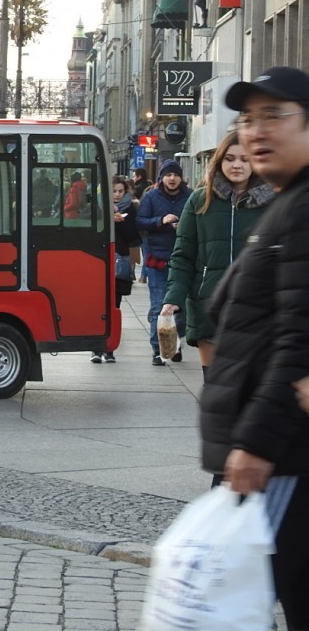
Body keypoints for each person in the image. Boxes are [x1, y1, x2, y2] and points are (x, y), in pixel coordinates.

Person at [199, 66, 309, 628]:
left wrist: (256, 445)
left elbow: (298, 341)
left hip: (285, 461)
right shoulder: (286, 206)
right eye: (247, 119)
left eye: (274, 116)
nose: (255, 131)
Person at [159, 131, 274, 376]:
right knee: (214, 386)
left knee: (250, 389)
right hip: (208, 305)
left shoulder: (273, 203)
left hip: (258, 310)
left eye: (245, 159)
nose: (237, 165)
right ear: (220, 161)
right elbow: (183, 254)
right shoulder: (200, 200)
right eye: (230, 158)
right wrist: (173, 297)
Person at [137, 158, 191, 366]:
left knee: (182, 310)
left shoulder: (190, 197)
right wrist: (161, 221)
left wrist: (184, 226)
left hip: (184, 261)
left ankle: (174, 344)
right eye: (168, 175)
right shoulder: (151, 197)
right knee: (159, 306)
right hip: (158, 261)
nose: (172, 178)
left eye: (175, 175)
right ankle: (158, 349)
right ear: (162, 178)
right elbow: (140, 222)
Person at [92, 176, 139, 363]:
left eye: (121, 191)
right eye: (114, 191)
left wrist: (122, 221)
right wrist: (108, 218)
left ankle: (110, 348)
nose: (117, 194)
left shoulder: (131, 209)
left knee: (115, 306)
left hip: (120, 260)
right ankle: (96, 348)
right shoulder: (98, 207)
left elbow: (133, 236)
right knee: (98, 306)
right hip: (100, 261)